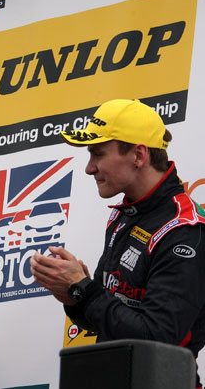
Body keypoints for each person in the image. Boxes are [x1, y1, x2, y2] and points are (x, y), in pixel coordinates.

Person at [30, 99, 205, 388]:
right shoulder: (123, 216)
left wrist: (85, 291)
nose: (89, 168)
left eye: (97, 154)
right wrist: (74, 296)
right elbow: (109, 319)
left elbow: (156, 340)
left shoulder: (184, 230)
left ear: (138, 155)